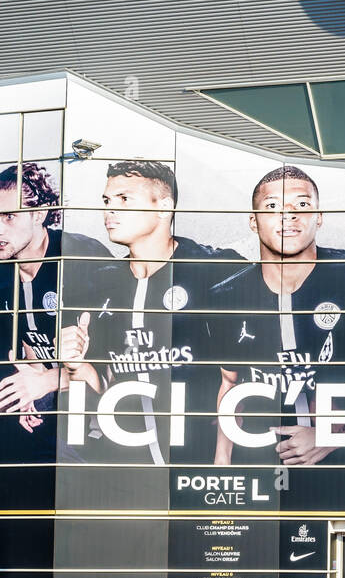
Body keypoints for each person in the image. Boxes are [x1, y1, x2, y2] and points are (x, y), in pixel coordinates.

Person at [58, 159, 237, 467]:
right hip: (120, 467)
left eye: (124, 199)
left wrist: (222, 461)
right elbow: (103, 384)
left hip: (196, 465)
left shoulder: (214, 270)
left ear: (164, 206)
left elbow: (241, 376)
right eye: (106, 201)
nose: (109, 211)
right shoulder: (100, 281)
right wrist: (78, 365)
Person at [210, 165, 345, 468]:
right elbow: (230, 383)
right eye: (272, 206)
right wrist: (222, 461)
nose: (287, 215)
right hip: (265, 464)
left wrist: (329, 436)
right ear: (253, 222)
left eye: (301, 205)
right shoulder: (227, 295)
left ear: (319, 217)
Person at [0, 163, 106, 497]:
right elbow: (22, 355)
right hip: (47, 404)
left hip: (101, 411)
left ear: (40, 214)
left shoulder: (81, 258)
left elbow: (113, 368)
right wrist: (25, 394)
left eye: (9, 217)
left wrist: (45, 381)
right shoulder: (4, 272)